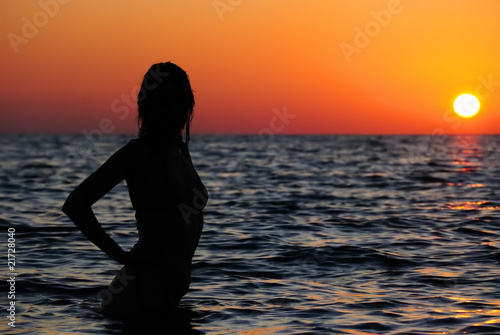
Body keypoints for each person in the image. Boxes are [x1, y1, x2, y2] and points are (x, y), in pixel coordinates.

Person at [62, 62, 208, 317]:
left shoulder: (180, 149)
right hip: (138, 301)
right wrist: (121, 256)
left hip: (167, 301)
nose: (173, 111)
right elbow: (76, 204)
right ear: (147, 106)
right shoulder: (137, 153)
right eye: (164, 102)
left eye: (180, 102)